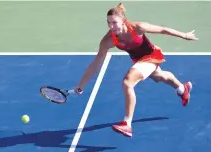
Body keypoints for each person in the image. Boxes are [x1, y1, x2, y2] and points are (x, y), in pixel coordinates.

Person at [74, 3, 198, 137]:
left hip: (151, 56)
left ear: (123, 21)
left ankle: (127, 123)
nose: (111, 26)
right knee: (159, 76)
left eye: (115, 22)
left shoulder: (137, 27)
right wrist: (81, 85)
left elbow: (162, 29)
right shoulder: (108, 40)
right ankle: (181, 88)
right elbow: (96, 64)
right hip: (138, 60)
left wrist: (184, 35)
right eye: (108, 23)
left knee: (127, 82)